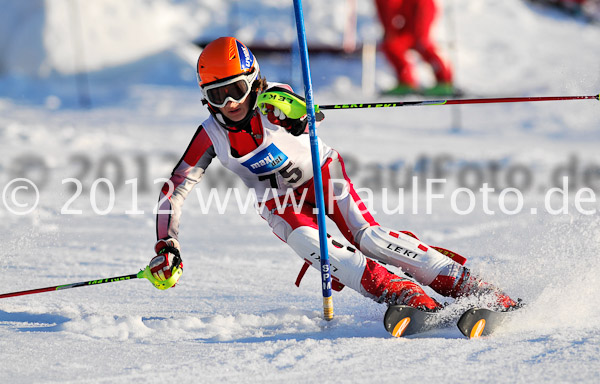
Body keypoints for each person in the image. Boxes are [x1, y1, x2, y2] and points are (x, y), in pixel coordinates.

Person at [148, 36, 519, 315]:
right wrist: (168, 245)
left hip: (322, 175)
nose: (229, 104)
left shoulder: (271, 100)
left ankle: (467, 284)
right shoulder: (210, 134)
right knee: (324, 253)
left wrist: (297, 114)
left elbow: (293, 108)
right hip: (279, 202)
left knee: (371, 238)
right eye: (217, 96)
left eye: (236, 90)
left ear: (254, 81)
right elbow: (174, 190)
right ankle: (404, 295)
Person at [375, 0, 454, 96]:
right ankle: (406, 81)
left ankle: (444, 81)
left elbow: (390, 8)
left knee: (421, 43)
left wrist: (390, 31)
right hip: (408, 15)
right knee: (392, 46)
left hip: (421, 7)